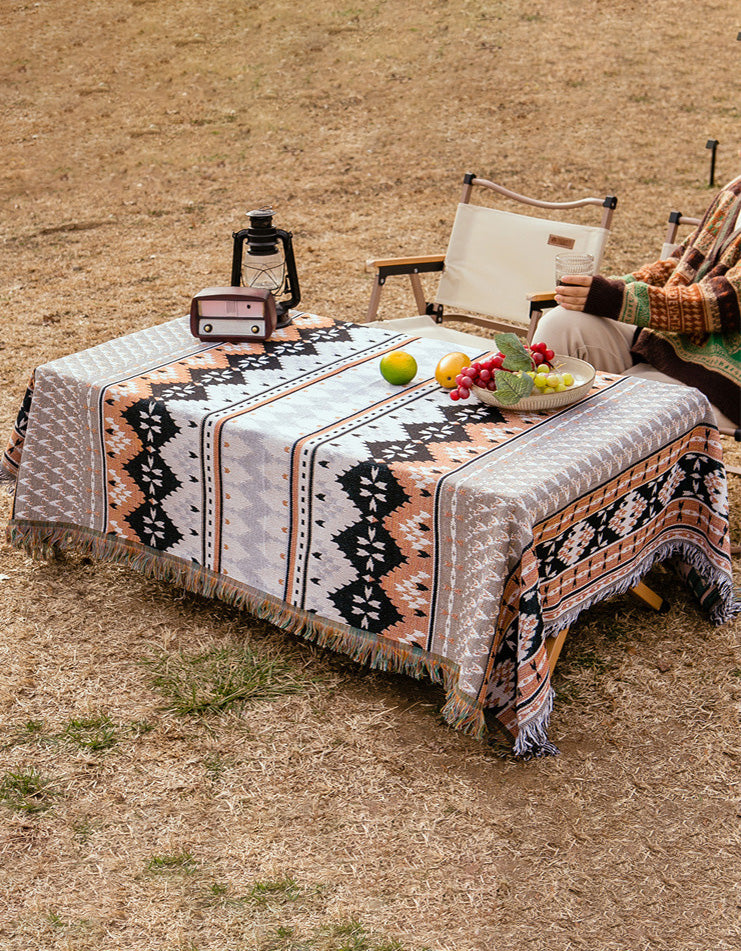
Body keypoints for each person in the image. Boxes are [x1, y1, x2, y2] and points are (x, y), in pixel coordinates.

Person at [532, 174, 741, 430]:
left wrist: (617, 298)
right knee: (561, 323)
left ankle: (598, 457)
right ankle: (541, 439)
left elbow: (720, 303)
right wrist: (608, 287)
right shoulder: (736, 191)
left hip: (724, 382)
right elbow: (684, 262)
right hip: (666, 345)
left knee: (622, 397)